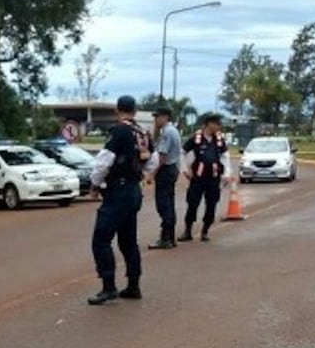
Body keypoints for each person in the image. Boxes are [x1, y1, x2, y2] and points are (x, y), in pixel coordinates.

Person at [87, 95, 158, 305]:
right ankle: (134, 285)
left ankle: (108, 287)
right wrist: (141, 174)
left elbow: (103, 162)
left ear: (118, 110)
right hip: (133, 190)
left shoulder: (118, 131)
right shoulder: (143, 133)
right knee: (128, 240)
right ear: (135, 111)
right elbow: (152, 161)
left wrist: (94, 184)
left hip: (118, 191)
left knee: (101, 239)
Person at [179, 113, 232, 243]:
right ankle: (188, 231)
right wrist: (184, 169)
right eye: (217, 124)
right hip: (198, 178)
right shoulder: (196, 138)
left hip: (213, 179)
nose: (219, 127)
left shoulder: (219, 140)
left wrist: (226, 174)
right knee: (192, 204)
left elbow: (225, 157)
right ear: (209, 124)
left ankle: (205, 231)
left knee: (211, 205)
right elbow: (182, 152)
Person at [146, 105, 182, 250]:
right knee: (169, 204)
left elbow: (162, 156)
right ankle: (170, 237)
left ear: (165, 117)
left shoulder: (167, 132)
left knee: (163, 205)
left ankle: (165, 238)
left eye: (158, 117)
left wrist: (152, 174)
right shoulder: (173, 131)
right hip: (172, 169)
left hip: (166, 170)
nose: (156, 120)